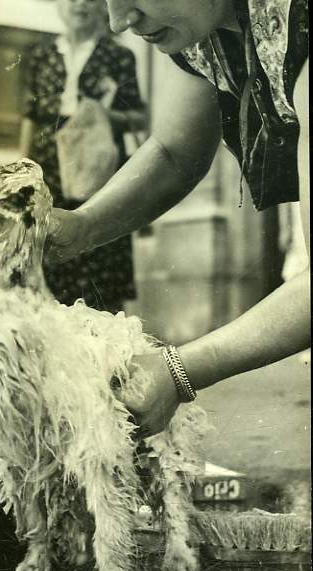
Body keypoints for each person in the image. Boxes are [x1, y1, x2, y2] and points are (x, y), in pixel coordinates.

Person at [47, 0, 309, 433]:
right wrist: (81, 226)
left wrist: (178, 370)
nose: (118, 22)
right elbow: (175, 152)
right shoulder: (203, 31)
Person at [21, 0, 147, 314]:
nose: (80, 4)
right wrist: (23, 169)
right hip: (49, 168)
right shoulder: (40, 55)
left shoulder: (118, 55)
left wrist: (102, 115)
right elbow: (30, 115)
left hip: (97, 166)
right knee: (49, 248)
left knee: (100, 243)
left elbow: (139, 117)